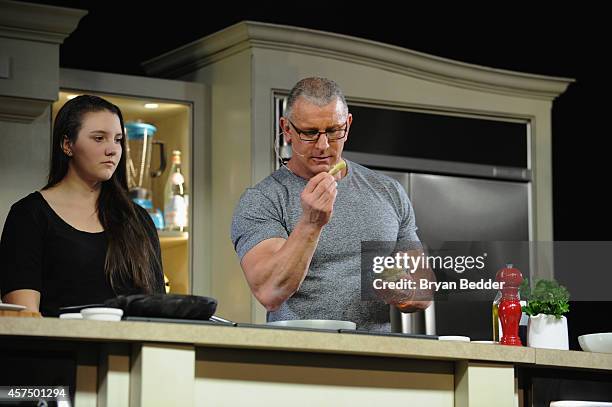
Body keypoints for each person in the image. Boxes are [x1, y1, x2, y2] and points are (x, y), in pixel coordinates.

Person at [231, 77, 432, 331]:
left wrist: (404, 291)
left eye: (334, 131)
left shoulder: (387, 191)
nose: (323, 145)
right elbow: (270, 291)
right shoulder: (263, 199)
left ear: (347, 125)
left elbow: (424, 289)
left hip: (377, 359)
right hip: (298, 357)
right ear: (287, 130)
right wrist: (311, 222)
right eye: (310, 132)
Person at [0, 95, 165, 316]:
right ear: (67, 144)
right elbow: (24, 317)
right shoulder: (29, 215)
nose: (113, 150)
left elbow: (159, 310)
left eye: (117, 140)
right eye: (99, 138)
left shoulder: (138, 220)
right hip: (58, 349)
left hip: (131, 350)